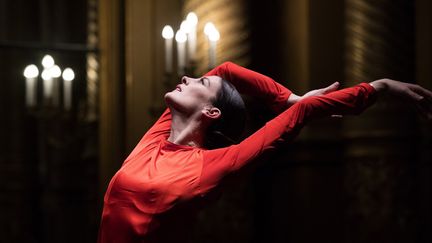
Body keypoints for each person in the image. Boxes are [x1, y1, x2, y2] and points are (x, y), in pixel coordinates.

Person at [98, 61, 432, 243]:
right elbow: (226, 70)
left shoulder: (213, 166)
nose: (187, 76)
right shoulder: (154, 141)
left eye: (200, 83)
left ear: (212, 113)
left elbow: (300, 117)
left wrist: (381, 87)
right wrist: (288, 98)